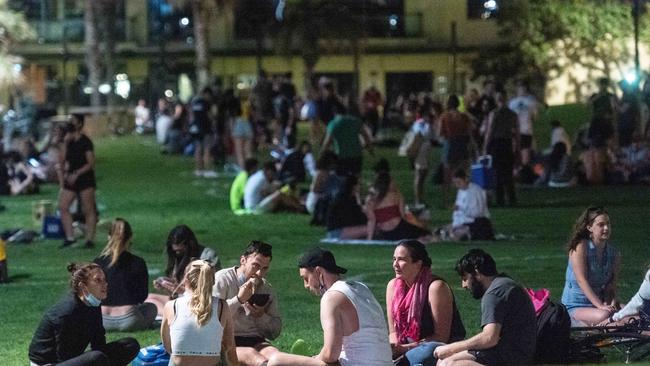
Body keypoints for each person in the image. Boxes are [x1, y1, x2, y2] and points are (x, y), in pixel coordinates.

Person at [267, 247, 392, 366]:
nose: (305, 285)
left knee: (276, 360)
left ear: (318, 271)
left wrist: (312, 359)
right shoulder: (361, 288)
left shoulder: (331, 297)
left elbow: (330, 354)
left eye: (306, 278)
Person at [434, 249, 536, 366]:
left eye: (465, 278)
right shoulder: (503, 284)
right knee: (444, 360)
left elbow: (489, 338)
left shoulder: (494, 293)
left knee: (450, 364)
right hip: (508, 352)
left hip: (513, 357)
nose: (464, 285)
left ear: (476, 271)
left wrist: (452, 348)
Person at [29, 263, 140, 366]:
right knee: (97, 358)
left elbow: (99, 342)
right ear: (83, 286)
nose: (105, 284)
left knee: (129, 345)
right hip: (50, 363)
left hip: (69, 358)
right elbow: (63, 355)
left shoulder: (94, 302)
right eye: (98, 280)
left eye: (104, 280)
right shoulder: (67, 312)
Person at [387, 240, 465, 366]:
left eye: (401, 260)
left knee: (429, 351)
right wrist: (393, 349)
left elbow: (441, 337)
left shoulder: (436, 287)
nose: (395, 264)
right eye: (394, 259)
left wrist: (404, 349)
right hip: (404, 349)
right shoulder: (392, 286)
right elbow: (393, 333)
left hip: (438, 348)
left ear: (418, 264)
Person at [213, 241, 281, 366]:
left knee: (276, 355)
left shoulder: (266, 288)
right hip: (225, 341)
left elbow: (275, 332)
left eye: (264, 268)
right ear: (243, 260)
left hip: (256, 340)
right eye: (256, 265)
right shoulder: (222, 280)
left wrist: (261, 316)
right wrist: (238, 300)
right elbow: (211, 317)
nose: (260, 273)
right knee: (252, 355)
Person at [161, 260, 239, 366]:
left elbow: (168, 346)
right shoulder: (221, 306)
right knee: (222, 351)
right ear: (212, 281)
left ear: (186, 279)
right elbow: (229, 345)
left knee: (174, 356)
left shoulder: (171, 306)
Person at [93, 218, 157, 331]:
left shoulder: (98, 263)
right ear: (130, 238)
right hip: (129, 319)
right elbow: (142, 296)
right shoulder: (138, 262)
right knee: (151, 307)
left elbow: (92, 294)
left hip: (102, 319)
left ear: (109, 237)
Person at [561, 206, 620, 326]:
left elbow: (611, 286)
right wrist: (600, 306)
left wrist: (611, 303)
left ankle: (604, 328)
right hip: (576, 305)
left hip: (599, 305)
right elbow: (581, 280)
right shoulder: (580, 247)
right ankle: (600, 329)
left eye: (608, 224)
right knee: (605, 315)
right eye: (601, 225)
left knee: (632, 312)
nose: (606, 228)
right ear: (589, 227)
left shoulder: (614, 253)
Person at [147, 225, 221, 315]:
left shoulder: (207, 257)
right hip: (181, 299)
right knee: (149, 299)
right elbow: (179, 284)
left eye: (180, 251)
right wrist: (168, 284)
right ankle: (172, 314)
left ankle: (172, 316)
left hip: (199, 302)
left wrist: (183, 291)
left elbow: (211, 290)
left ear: (190, 246)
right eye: (175, 251)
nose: (177, 253)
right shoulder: (177, 257)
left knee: (152, 306)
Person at [58, 116, 97, 249]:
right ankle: (70, 237)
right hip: (71, 178)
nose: (69, 123)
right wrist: (64, 143)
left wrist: (77, 174)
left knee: (88, 209)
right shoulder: (67, 141)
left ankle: (89, 239)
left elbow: (91, 163)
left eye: (73, 120)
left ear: (79, 124)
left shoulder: (85, 142)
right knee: (63, 206)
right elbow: (62, 161)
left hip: (85, 178)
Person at [366, 171, 432, 242]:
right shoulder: (396, 195)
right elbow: (403, 216)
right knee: (425, 233)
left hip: (384, 232)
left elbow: (371, 220)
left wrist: (369, 239)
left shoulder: (370, 199)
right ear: (389, 183)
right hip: (399, 229)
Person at [483, 91, 519, 206]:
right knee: (508, 172)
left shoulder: (494, 113)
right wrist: (517, 146)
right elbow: (517, 132)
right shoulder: (513, 114)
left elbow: (490, 131)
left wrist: (485, 146)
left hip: (497, 143)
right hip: (507, 143)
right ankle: (512, 198)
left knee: (497, 172)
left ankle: (500, 199)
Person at [437, 169, 493, 241]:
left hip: (476, 223)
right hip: (463, 222)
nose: (457, 185)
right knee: (439, 231)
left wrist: (460, 208)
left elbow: (477, 213)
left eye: (459, 182)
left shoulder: (475, 191)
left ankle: (464, 235)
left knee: (454, 234)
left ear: (466, 179)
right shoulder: (461, 191)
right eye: (455, 183)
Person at [439, 95, 474, 207]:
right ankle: (462, 199)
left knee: (447, 175)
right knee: (462, 174)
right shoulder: (464, 116)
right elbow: (469, 132)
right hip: (462, 145)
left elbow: (440, 133)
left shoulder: (445, 117)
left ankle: (446, 201)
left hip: (450, 145)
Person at [321, 102, 373, 177]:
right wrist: (370, 149)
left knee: (342, 178)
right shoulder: (355, 121)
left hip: (341, 155)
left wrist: (323, 153)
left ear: (335, 113)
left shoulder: (333, 124)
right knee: (356, 178)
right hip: (357, 154)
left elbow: (327, 141)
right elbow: (365, 136)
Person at [325, 175, 367, 239]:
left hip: (344, 229)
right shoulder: (343, 200)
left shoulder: (350, 198)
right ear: (353, 186)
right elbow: (353, 218)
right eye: (359, 184)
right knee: (369, 229)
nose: (360, 187)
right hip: (337, 232)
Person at [508, 82, 539, 168]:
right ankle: (519, 170)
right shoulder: (513, 103)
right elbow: (534, 118)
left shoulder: (531, 102)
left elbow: (534, 117)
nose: (522, 91)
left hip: (525, 130)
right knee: (517, 151)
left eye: (523, 89)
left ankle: (522, 170)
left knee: (524, 152)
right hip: (518, 130)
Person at [190, 87, 216, 177]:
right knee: (207, 149)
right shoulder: (206, 103)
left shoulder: (194, 102)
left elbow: (192, 116)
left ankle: (198, 169)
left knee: (198, 149)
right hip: (205, 128)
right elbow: (210, 116)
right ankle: (207, 170)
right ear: (207, 94)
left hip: (196, 129)